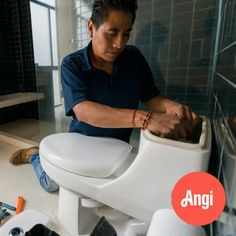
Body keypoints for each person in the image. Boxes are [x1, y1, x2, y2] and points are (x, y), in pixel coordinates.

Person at [9, 0, 201, 192]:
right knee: (52, 185)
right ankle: (35, 156)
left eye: (126, 34)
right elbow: (83, 110)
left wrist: (172, 107)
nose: (119, 44)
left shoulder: (133, 57)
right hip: (82, 141)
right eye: (111, 34)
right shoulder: (72, 64)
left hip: (117, 146)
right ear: (91, 28)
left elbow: (152, 97)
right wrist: (145, 119)